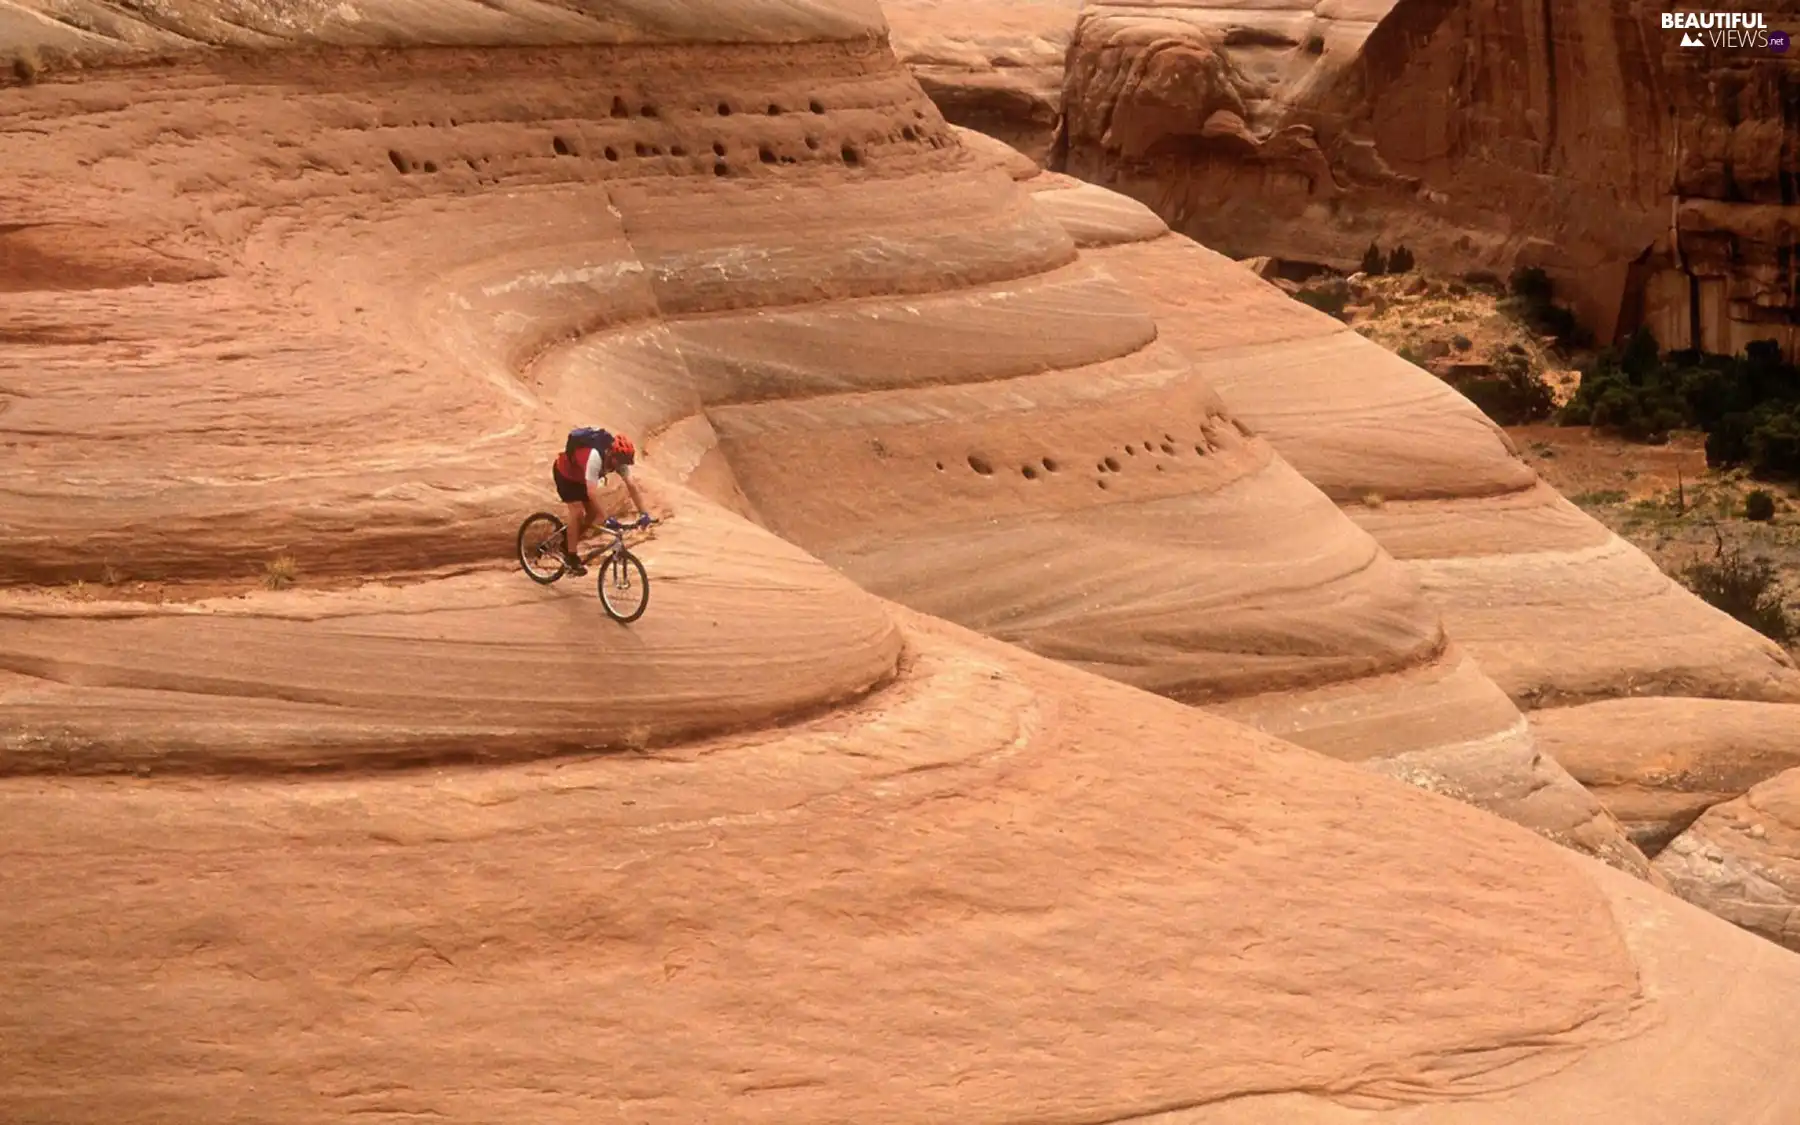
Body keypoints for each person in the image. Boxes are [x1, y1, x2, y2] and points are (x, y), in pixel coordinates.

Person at [551, 426, 652, 575]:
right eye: (620, 461)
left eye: (624, 462)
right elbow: (591, 493)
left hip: (582, 479)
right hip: (566, 474)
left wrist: (644, 514)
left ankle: (568, 540)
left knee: (592, 516)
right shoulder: (595, 457)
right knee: (578, 512)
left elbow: (632, 486)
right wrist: (605, 516)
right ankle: (571, 557)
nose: (621, 465)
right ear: (612, 454)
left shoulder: (619, 461)